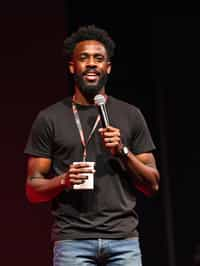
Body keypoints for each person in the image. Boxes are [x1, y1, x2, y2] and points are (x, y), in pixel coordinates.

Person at [24, 24, 160, 266]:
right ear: (71, 66)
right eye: (83, 58)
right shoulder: (49, 118)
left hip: (123, 241)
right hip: (72, 241)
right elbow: (33, 190)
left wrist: (123, 151)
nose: (91, 63)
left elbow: (152, 184)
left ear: (107, 67)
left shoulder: (131, 115)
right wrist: (63, 180)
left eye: (99, 58)